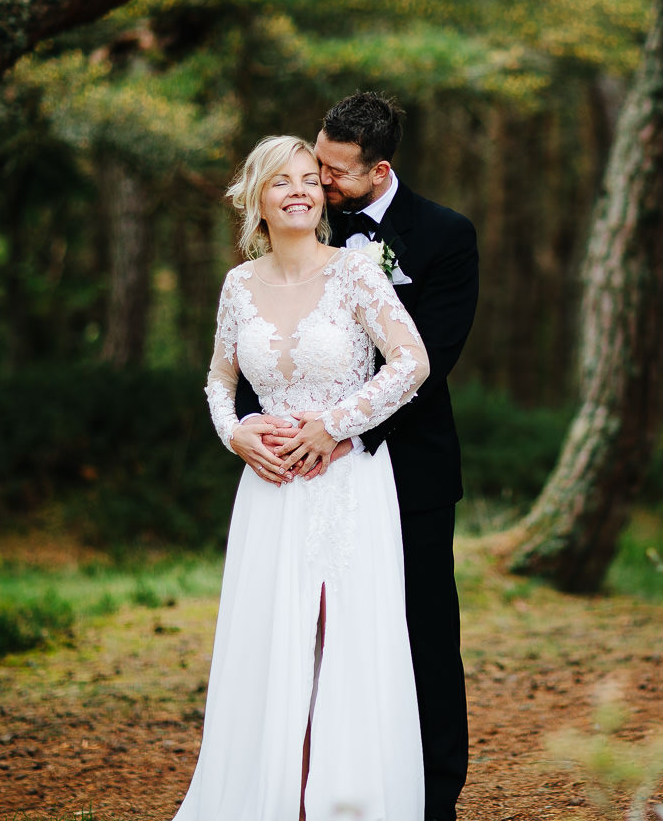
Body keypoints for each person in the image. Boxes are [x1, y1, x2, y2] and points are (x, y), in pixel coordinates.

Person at [232, 93, 478, 821]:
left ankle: (430, 797)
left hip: (408, 467)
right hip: (305, 473)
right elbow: (261, 338)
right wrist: (247, 423)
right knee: (301, 632)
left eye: (336, 174)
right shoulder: (303, 217)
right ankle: (303, 787)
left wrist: (342, 430)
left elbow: (430, 358)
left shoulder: (443, 235)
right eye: (316, 162)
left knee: (421, 633)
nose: (319, 182)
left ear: (380, 170)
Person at [177, 135, 428, 821]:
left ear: (322, 197)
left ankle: (344, 801)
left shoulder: (354, 273)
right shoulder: (239, 286)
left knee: (338, 630)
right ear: (257, 197)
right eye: (281, 180)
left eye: (309, 180)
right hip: (269, 489)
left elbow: (411, 362)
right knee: (274, 636)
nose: (298, 190)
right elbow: (218, 382)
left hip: (347, 482)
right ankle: (273, 797)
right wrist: (235, 434)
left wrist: (338, 424)